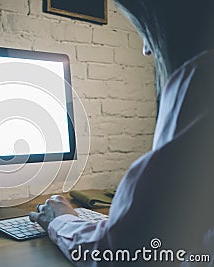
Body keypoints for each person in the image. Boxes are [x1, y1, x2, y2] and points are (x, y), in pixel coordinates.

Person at [30, 0, 214, 266]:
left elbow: (120, 252)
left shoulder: (199, 79)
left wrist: (60, 220)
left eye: (143, 33)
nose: (145, 50)